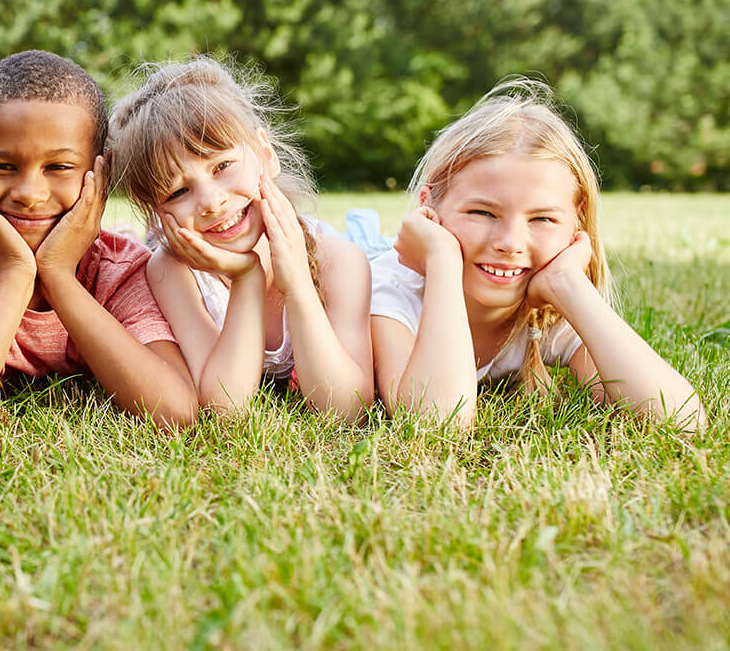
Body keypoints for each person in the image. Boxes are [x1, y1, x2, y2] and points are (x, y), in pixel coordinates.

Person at [0, 50, 198, 442]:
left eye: (58, 168)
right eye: (2, 167)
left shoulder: (120, 268)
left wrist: (58, 276)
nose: (30, 195)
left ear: (101, 175)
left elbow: (176, 412)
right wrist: (16, 276)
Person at [371, 78, 706, 431]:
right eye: (482, 213)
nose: (511, 242)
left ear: (576, 221)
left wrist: (569, 286)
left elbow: (681, 419)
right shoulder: (393, 288)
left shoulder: (551, 308)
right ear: (429, 206)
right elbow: (436, 423)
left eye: (543, 218)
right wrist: (441, 260)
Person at [109, 58, 374, 419]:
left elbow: (346, 410)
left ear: (266, 153)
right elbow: (225, 408)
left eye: (222, 166)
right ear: (157, 213)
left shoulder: (339, 260)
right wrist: (245, 277)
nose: (212, 201)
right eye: (178, 192)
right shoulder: (171, 272)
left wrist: (297, 283)